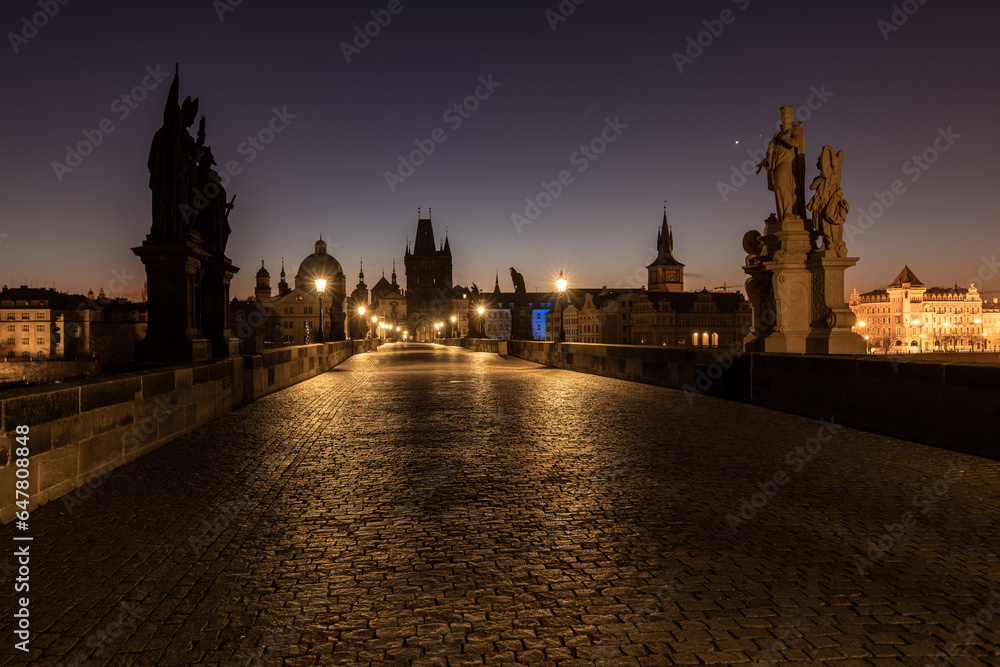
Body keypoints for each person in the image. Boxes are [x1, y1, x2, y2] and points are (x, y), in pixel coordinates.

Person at [757, 105, 806, 223]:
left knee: (782, 183)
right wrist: (765, 161)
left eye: (787, 117)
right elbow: (771, 150)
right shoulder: (777, 134)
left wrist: (784, 138)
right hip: (776, 164)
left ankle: (789, 212)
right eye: (783, 118)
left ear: (791, 117)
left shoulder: (796, 130)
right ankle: (783, 215)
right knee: (779, 188)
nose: (785, 120)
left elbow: (796, 143)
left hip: (788, 163)